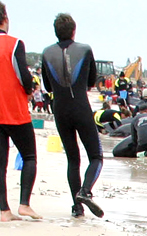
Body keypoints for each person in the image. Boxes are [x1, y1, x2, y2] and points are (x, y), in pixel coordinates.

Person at [41, 13, 104, 219]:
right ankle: (85, 191)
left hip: (60, 109)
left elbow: (48, 85)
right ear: (74, 30)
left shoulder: (46, 52)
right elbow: (92, 81)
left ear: (55, 32)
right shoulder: (85, 49)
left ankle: (77, 208)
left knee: (72, 159)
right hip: (80, 106)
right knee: (96, 156)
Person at [0, 2, 41, 222]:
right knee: (29, 156)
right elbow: (23, 74)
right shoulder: (14, 43)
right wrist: (30, 89)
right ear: (5, 18)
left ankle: (3, 210)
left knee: (0, 162)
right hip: (14, 110)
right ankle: (24, 204)